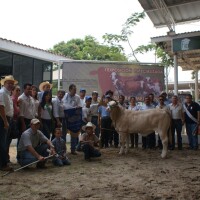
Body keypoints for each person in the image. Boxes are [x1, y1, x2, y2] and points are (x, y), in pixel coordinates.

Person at [0, 75, 18, 171]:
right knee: (2, 142)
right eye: (9, 83)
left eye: (12, 83)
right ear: (4, 83)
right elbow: (1, 108)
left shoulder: (7, 94)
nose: (11, 85)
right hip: (3, 119)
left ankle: (4, 162)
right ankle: (3, 164)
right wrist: (5, 121)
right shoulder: (2, 93)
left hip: (7, 119)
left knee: (5, 142)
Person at [63, 84, 82, 155]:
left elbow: (80, 105)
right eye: (74, 90)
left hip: (74, 118)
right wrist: (72, 108)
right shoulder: (65, 96)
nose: (75, 91)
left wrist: (77, 107)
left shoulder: (77, 97)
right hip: (66, 117)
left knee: (74, 133)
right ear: (70, 89)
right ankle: (63, 150)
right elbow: (64, 105)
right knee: (64, 133)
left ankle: (73, 149)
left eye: (75, 90)